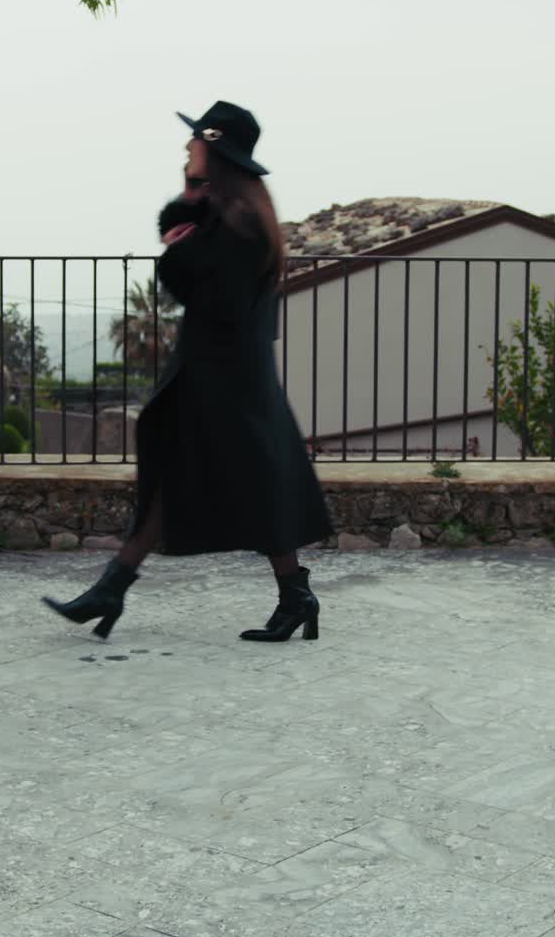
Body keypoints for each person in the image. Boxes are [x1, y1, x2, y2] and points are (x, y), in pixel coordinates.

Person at [42, 101, 336, 642]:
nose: (185, 149)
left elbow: (218, 302)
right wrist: (184, 240)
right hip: (221, 371)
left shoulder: (238, 224)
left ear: (215, 149)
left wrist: (179, 251)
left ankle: (293, 595)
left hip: (222, 374)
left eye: (193, 141)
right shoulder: (230, 215)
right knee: (181, 479)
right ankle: (116, 589)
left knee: (246, 482)